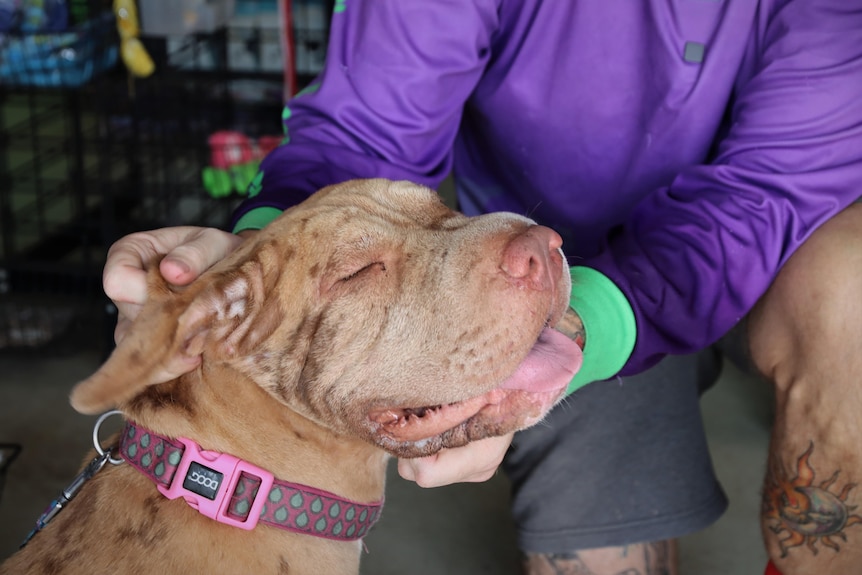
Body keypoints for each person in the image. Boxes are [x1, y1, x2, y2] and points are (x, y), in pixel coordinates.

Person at [103, 1, 862, 574]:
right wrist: (256, 256)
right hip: (549, 249)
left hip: (783, 244)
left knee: (853, 300)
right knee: (601, 532)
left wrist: (569, 329)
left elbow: (765, 195)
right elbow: (369, 134)